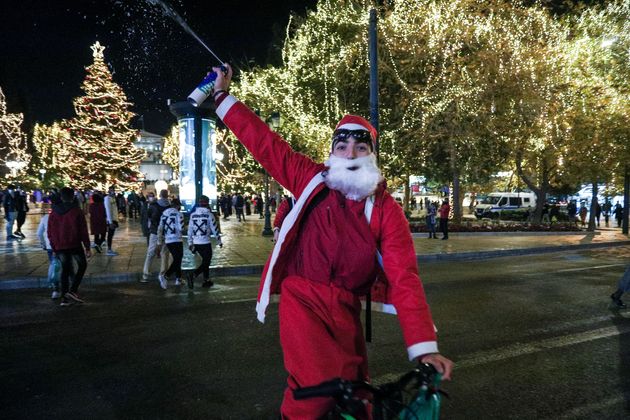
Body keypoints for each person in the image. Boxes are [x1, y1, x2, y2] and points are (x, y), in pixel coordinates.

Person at [211, 64, 452, 418]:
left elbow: (405, 278)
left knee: (358, 393)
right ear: (333, 152)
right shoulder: (309, 178)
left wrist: (424, 349)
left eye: (359, 146)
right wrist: (221, 95)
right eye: (342, 146)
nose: (351, 154)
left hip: (346, 307)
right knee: (315, 389)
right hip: (302, 299)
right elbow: (264, 143)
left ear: (372, 154)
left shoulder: (385, 209)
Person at [47, 187, 91, 307]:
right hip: (74, 244)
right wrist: (87, 246)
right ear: (72, 197)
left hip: (60, 245)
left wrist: (54, 247)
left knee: (65, 270)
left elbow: (50, 232)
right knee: (82, 265)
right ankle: (73, 290)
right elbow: (83, 231)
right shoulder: (76, 211)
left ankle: (64, 299)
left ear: (61, 197)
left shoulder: (54, 212)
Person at [187, 195, 223, 289]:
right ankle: (193, 275)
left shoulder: (193, 215)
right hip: (205, 242)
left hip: (196, 242)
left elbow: (190, 230)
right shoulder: (209, 215)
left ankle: (206, 280)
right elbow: (215, 228)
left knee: (205, 261)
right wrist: (219, 241)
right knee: (207, 261)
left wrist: (190, 243)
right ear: (207, 203)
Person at [142, 189, 170, 283]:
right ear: (167, 196)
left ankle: (146, 272)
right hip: (166, 232)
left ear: (160, 195)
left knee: (151, 252)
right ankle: (162, 273)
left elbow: (149, 217)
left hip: (154, 231)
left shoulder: (153, 205)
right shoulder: (169, 207)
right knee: (165, 253)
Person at [157, 198, 184, 289]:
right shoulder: (179, 214)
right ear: (177, 206)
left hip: (168, 239)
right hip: (177, 239)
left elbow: (160, 228)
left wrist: (159, 241)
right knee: (178, 259)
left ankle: (179, 278)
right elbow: (181, 228)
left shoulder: (164, 213)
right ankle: (165, 276)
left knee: (177, 259)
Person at [37, 211, 60, 299]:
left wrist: (43, 244)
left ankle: (55, 289)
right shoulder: (65, 214)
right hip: (64, 245)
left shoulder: (46, 217)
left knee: (54, 266)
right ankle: (72, 289)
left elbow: (39, 233)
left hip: (50, 245)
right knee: (66, 266)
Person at [104, 186, 119, 256]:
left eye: (113, 190)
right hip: (111, 220)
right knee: (110, 235)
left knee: (111, 234)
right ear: (109, 191)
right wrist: (110, 222)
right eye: (111, 190)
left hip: (114, 219)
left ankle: (110, 249)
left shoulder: (113, 198)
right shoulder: (107, 199)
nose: (113, 191)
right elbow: (108, 211)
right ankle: (109, 250)